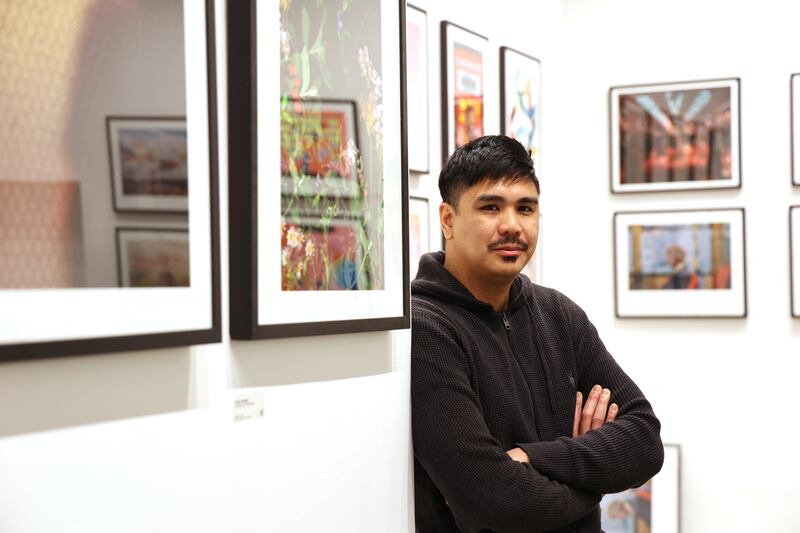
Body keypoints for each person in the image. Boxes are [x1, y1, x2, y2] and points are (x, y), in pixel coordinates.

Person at [411, 135, 664, 532]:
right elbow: (494, 499)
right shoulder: (425, 329)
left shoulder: (559, 313)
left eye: (525, 208)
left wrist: (533, 458)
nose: (511, 225)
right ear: (448, 219)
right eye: (490, 207)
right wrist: (594, 482)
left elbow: (646, 441)